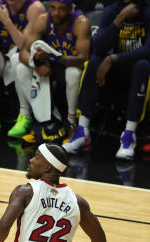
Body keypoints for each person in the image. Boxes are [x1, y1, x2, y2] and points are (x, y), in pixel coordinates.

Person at [64, 0, 150, 159]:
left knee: (142, 65)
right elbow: (99, 46)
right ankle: (83, 130)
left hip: (142, 74)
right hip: (117, 75)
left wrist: (114, 58)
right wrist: (120, 18)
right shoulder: (113, 10)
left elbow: (148, 51)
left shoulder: (147, 11)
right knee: (95, 61)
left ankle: (129, 135)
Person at [15, 0, 91, 139]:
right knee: (21, 68)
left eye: (61, 9)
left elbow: (83, 59)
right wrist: (37, 64)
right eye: (53, 8)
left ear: (70, 9)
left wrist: (54, 57)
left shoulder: (80, 23)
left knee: (72, 73)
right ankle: (43, 120)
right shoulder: (43, 20)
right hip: (50, 69)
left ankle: (71, 122)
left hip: (71, 70)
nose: (56, 13)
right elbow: (23, 53)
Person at [0, 0, 45, 137]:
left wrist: (6, 21)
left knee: (17, 59)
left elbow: (24, 46)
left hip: (28, 62)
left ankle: (25, 116)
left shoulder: (35, 8)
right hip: (4, 58)